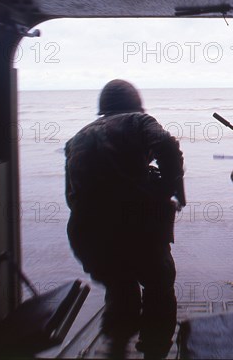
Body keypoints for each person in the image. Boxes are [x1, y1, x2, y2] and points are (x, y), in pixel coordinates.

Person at [65, 80, 184, 359]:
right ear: (134, 104)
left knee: (120, 288)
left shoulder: (76, 139)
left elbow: (72, 196)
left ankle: (117, 346)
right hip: (136, 230)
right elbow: (167, 144)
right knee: (159, 287)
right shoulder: (138, 121)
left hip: (87, 237)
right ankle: (154, 351)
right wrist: (167, 187)